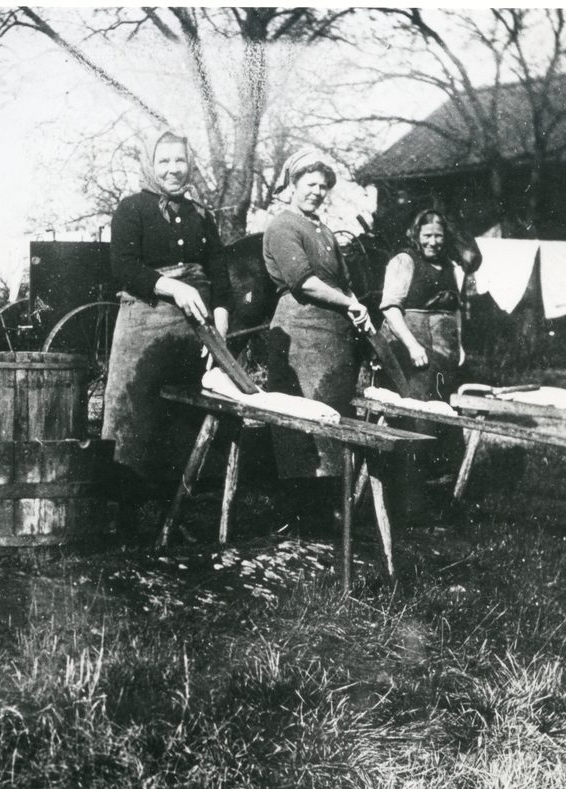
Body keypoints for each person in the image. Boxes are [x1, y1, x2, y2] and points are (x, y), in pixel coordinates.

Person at [104, 129, 233, 523]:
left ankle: (180, 517)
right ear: (150, 165)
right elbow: (123, 267)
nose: (173, 169)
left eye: (180, 160)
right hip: (143, 330)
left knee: (186, 422)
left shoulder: (202, 216)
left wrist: (219, 333)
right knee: (135, 419)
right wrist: (174, 287)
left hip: (194, 335)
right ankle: (126, 518)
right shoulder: (131, 209)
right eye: (164, 161)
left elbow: (220, 278)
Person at [263, 149, 373, 531]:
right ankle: (299, 518)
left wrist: (356, 308)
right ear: (292, 185)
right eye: (310, 184)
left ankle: (328, 516)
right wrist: (348, 303)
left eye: (323, 186)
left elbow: (342, 282)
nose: (317, 192)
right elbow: (304, 283)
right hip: (301, 335)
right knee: (303, 424)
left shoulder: (324, 231)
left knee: (333, 422)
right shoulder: (283, 226)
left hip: (334, 340)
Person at [378, 208, 472, 521]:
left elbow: (455, 310)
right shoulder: (404, 261)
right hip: (412, 356)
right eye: (427, 235)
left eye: (439, 236)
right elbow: (390, 308)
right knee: (416, 424)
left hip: (443, 358)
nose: (433, 242)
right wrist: (412, 344)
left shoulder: (450, 267)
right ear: (416, 235)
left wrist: (460, 344)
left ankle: (440, 501)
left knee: (444, 425)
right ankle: (409, 506)